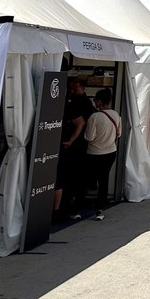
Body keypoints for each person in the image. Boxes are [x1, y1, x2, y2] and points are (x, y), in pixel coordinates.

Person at [55, 75, 95, 220]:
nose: (72, 90)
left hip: (78, 145)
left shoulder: (83, 103)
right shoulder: (79, 101)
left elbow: (81, 123)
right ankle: (70, 204)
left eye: (75, 88)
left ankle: (73, 205)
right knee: (72, 176)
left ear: (82, 88)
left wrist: (72, 139)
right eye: (71, 88)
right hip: (75, 144)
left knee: (75, 176)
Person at [83, 88, 120, 221]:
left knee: (85, 179)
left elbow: (89, 137)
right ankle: (100, 209)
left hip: (94, 153)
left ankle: (77, 209)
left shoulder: (94, 117)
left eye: (95, 100)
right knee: (103, 180)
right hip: (110, 151)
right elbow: (118, 133)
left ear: (99, 101)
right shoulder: (116, 115)